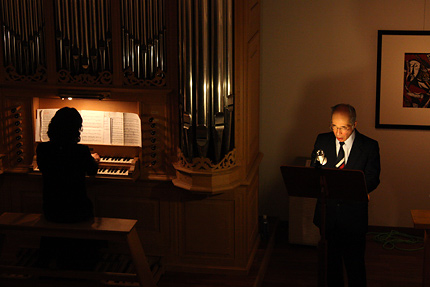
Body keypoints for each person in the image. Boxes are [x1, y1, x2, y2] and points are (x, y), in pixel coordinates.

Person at [311, 104, 381, 287]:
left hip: (353, 216)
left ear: (354, 124)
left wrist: (360, 189)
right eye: (334, 126)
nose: (338, 132)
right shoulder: (322, 140)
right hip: (328, 214)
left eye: (343, 127)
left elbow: (373, 178)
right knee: (330, 264)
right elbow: (314, 170)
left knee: (355, 264)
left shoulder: (369, 146)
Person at [36, 107, 101, 270]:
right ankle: (82, 262)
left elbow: (45, 167)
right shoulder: (80, 150)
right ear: (76, 129)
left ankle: (53, 259)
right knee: (87, 207)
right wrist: (95, 159)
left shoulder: (42, 149)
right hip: (77, 211)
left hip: (52, 209)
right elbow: (92, 171)